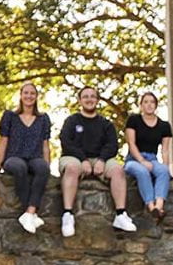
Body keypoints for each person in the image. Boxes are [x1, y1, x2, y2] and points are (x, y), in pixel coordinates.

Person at [59, 86, 137, 238]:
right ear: (80, 100)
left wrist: (101, 160)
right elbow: (67, 143)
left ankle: (121, 215)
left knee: (118, 170)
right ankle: (67, 215)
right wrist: (83, 160)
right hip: (75, 157)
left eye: (93, 96)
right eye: (86, 96)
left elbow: (112, 145)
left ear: (97, 100)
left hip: (100, 158)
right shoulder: (71, 121)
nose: (89, 99)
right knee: (72, 169)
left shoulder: (106, 124)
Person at [0, 81, 52, 234]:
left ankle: (29, 212)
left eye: (32, 93)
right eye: (26, 93)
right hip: (13, 157)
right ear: (21, 96)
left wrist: (48, 165)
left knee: (42, 168)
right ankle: (30, 213)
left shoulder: (43, 119)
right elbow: (3, 141)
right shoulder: (10, 116)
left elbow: (45, 144)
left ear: (36, 97)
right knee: (19, 167)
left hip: (34, 157)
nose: (29, 96)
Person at [124, 92, 173, 222]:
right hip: (134, 158)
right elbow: (131, 143)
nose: (149, 105)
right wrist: (141, 160)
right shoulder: (133, 120)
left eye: (152, 102)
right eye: (145, 102)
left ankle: (159, 206)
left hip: (152, 158)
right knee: (142, 171)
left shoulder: (164, 126)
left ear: (156, 105)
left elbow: (165, 150)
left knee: (163, 171)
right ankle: (151, 207)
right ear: (141, 105)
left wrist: (166, 166)